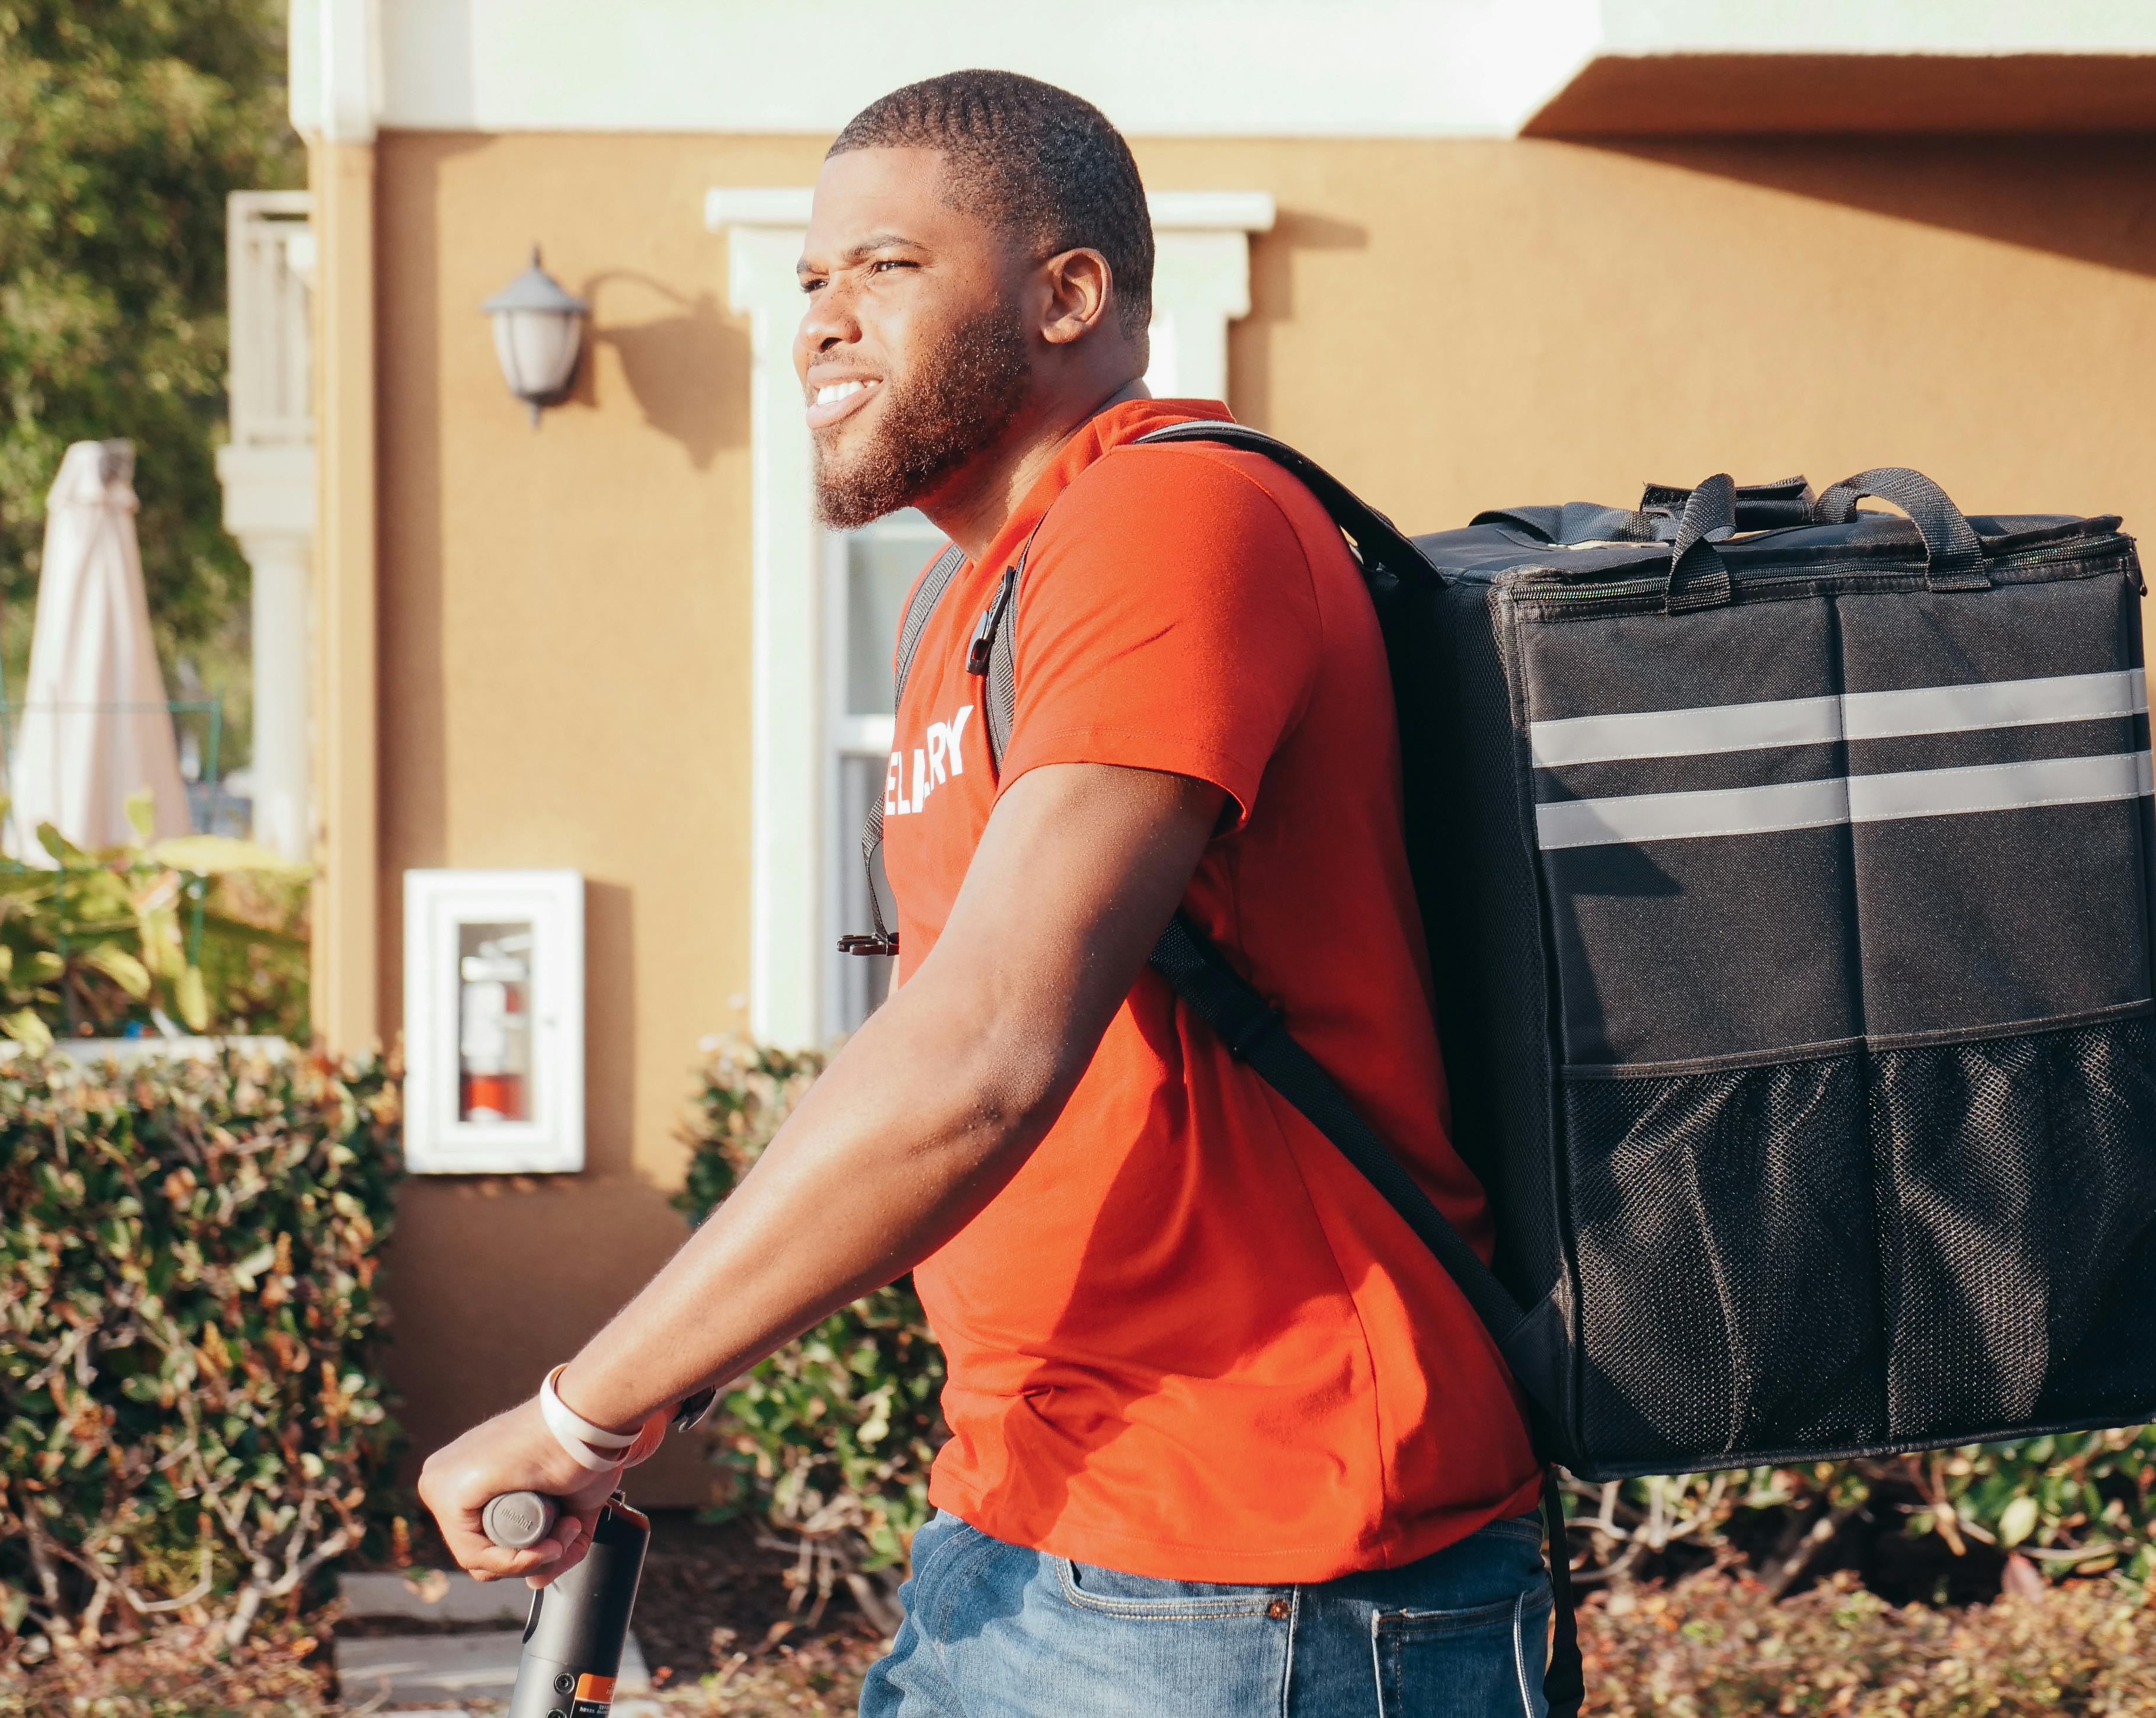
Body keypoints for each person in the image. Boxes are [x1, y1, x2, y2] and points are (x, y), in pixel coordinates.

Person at [418, 70, 1550, 1717]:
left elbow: (985, 1058)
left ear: (1068, 295)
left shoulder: (1172, 516)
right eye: (810, 280)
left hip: (1256, 1569)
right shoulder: (965, 602)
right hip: (1029, 1520)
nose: (821, 321)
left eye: (884, 266)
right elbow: (928, 1078)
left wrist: (585, 1412)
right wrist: (661, 1391)